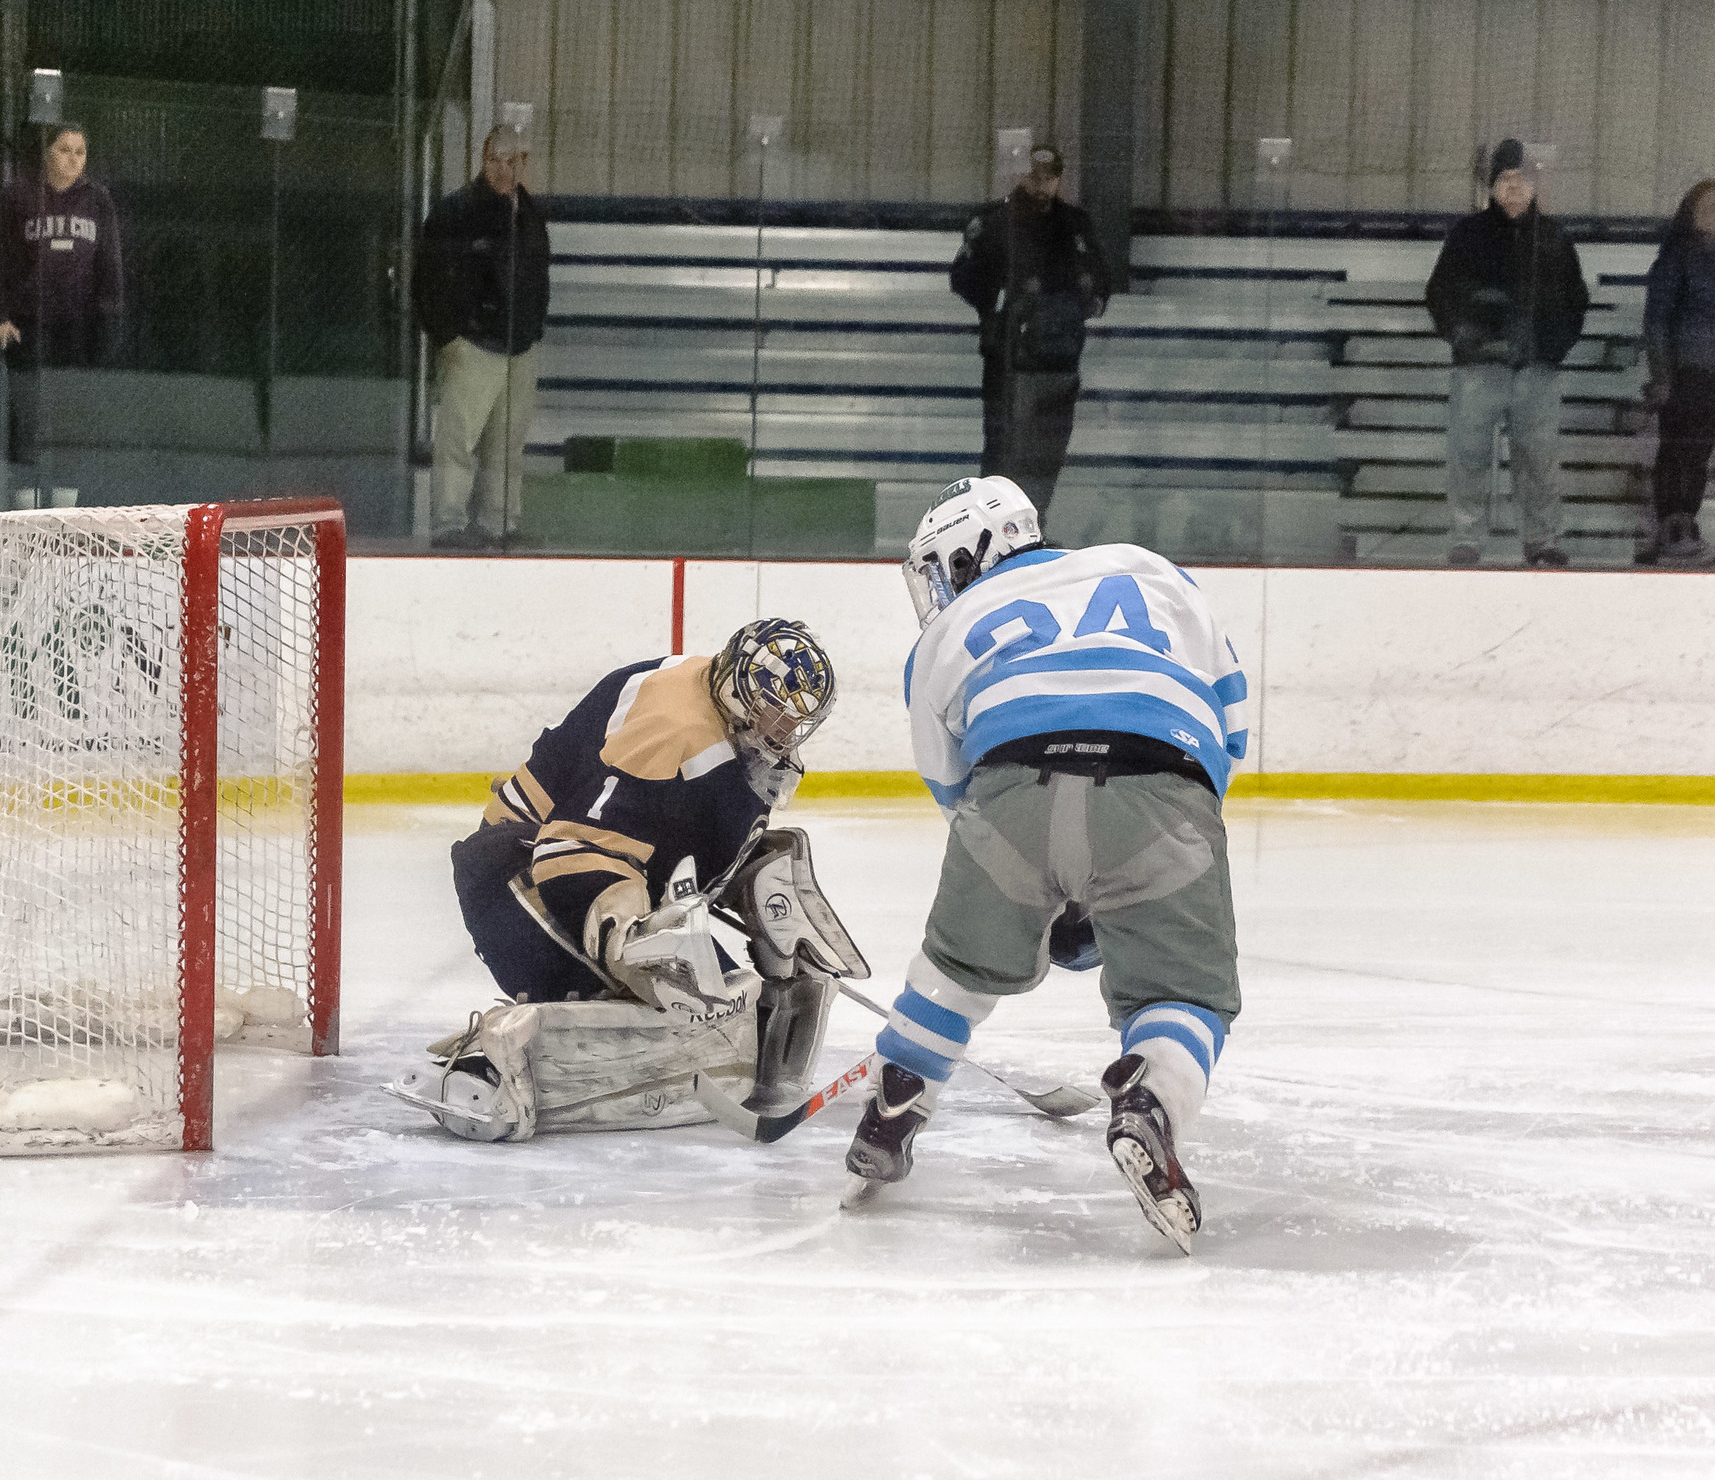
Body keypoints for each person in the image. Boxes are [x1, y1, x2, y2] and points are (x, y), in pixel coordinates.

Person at [843, 476, 1246, 1255]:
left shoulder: (945, 630)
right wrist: (1126, 858)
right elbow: (1226, 724)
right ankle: (1149, 1098)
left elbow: (954, 787)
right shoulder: (1151, 570)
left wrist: (1044, 878)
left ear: (973, 552)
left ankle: (893, 1103)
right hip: (1160, 780)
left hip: (1011, 788)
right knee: (1182, 990)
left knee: (955, 969)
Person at [386, 621, 864, 1143]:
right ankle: (490, 1067)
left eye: (794, 719)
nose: (783, 728)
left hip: (575, 859)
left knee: (728, 1012)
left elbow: (669, 831)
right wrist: (629, 939)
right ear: (735, 690)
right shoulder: (674, 728)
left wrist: (756, 888)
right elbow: (577, 848)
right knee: (688, 1011)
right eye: (773, 710)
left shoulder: (725, 717)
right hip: (513, 873)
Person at [1424, 138, 1591, 568]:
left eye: (1521, 179)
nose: (1513, 188)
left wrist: (1552, 349)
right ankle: (1466, 537)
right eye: (1504, 180)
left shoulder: (1554, 239)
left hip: (1537, 371)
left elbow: (1575, 300)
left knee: (1538, 460)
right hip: (1479, 369)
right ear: (1491, 187)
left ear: (1534, 186)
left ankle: (1542, 539)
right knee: (1469, 454)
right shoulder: (1467, 236)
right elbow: (1441, 295)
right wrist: (1468, 341)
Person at [949, 144, 1116, 525]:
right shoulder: (995, 222)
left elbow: (1100, 282)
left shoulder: (1075, 225)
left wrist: (1071, 306)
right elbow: (964, 276)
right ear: (1021, 175)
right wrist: (1004, 302)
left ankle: (1031, 527)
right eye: (1036, 176)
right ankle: (993, 531)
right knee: (1004, 453)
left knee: (1047, 453)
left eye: (1050, 177)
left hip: (1058, 360)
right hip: (1010, 362)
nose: (1043, 185)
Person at [414, 126, 550, 549]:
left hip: (518, 345)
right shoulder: (455, 212)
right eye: (498, 159)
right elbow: (428, 281)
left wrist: (531, 328)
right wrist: (449, 338)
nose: (505, 168)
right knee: (459, 439)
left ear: (524, 163)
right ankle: (448, 522)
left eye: (514, 160)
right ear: (484, 159)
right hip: (473, 343)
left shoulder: (529, 215)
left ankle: (501, 522)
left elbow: (537, 278)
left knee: (508, 444)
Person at [0, 122, 123, 499]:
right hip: (26, 326)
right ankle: (25, 507)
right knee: (27, 417)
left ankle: (62, 511)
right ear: (47, 152)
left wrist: (107, 325)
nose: (73, 158)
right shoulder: (18, 196)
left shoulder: (98, 200)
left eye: (80, 151)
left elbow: (110, 267)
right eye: (64, 149)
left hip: (77, 330)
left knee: (70, 420)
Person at [1639, 179, 1715, 566]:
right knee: (1678, 448)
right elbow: (1657, 321)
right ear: (1691, 213)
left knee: (1699, 452)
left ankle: (1689, 520)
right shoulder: (1676, 258)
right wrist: (1662, 376)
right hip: (1687, 372)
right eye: (1708, 206)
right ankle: (1673, 521)